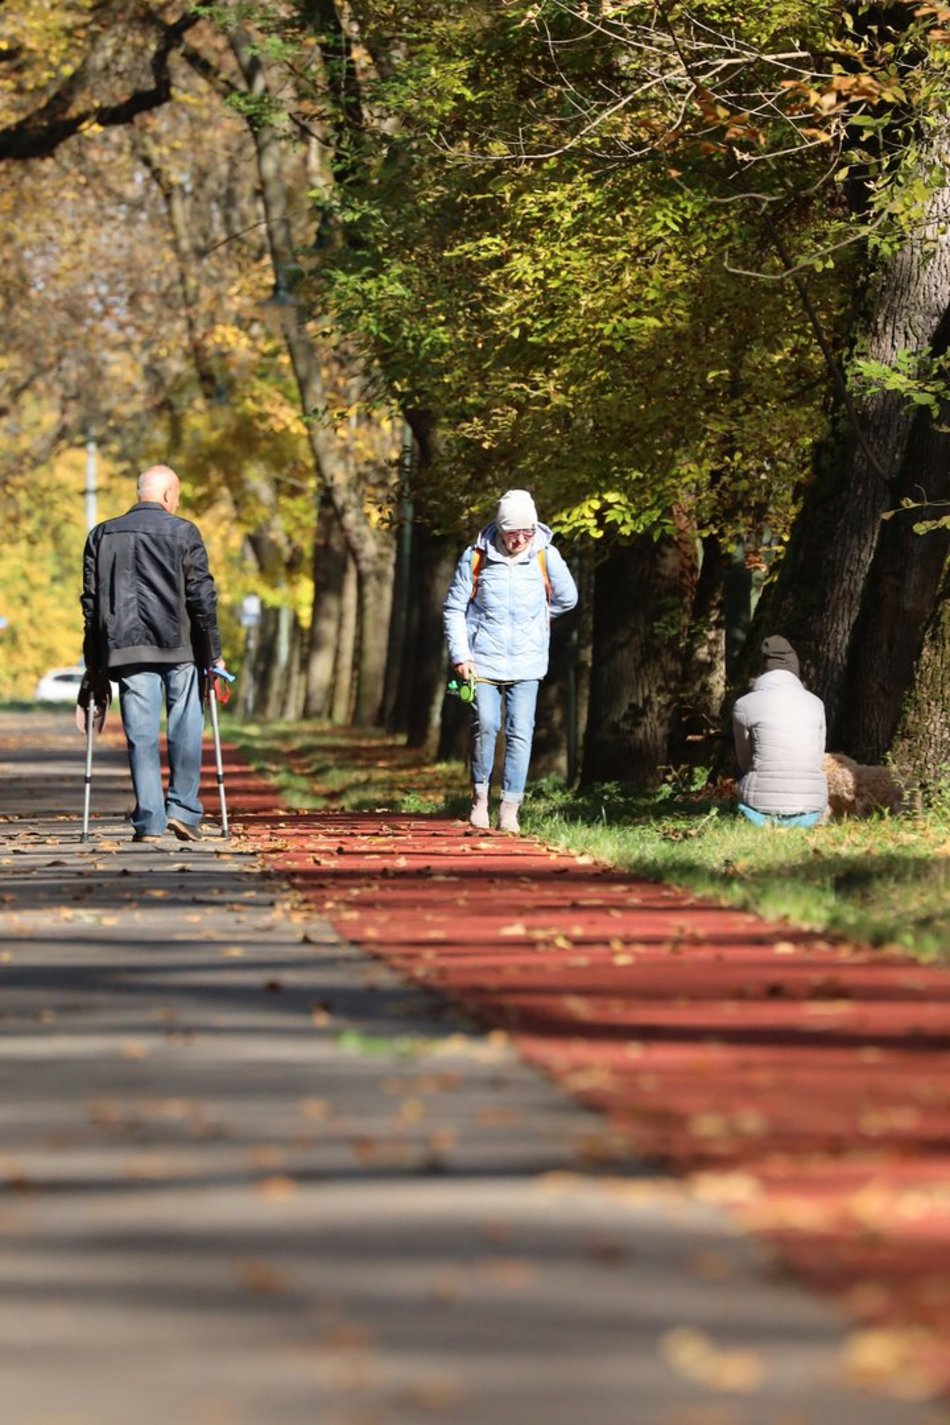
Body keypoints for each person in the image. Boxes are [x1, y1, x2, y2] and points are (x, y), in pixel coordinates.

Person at [80, 464, 225, 843]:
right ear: (166, 495)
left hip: (127, 648)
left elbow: (91, 605)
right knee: (185, 725)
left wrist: (93, 663)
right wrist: (214, 654)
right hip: (180, 647)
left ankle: (148, 820)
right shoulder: (183, 531)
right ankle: (183, 810)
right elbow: (201, 598)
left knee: (141, 735)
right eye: (176, 496)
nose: (176, 502)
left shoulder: (102, 534)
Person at [443, 488, 578, 833]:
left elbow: (568, 598)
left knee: (521, 732)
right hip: (482, 660)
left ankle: (510, 808)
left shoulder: (547, 555)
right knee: (486, 725)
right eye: (513, 532)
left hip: (527, 662)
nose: (520, 540)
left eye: (527, 532)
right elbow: (455, 609)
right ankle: (479, 798)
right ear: (500, 529)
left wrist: (541, 618)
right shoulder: (476, 556)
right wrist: (461, 654)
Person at [732, 635, 827, 828]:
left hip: (758, 811)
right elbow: (817, 759)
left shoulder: (744, 704)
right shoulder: (816, 703)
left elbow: (744, 761)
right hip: (811, 809)